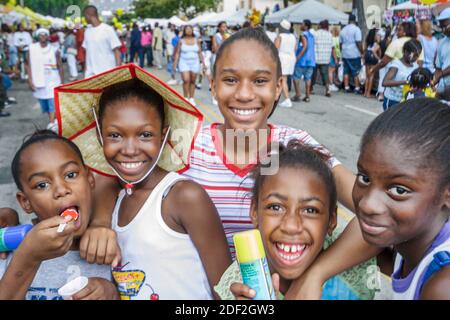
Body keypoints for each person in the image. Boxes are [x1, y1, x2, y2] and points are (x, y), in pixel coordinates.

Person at [78, 28, 362, 276]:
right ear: (212, 85)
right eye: (230, 80)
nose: (244, 94)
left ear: (278, 88)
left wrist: (318, 274)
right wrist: (101, 223)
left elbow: (371, 209)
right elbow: (113, 178)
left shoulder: (295, 146)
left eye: (260, 81)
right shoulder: (185, 143)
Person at [95, 78, 231, 299]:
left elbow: (226, 291)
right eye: (115, 135)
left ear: (163, 135)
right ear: (100, 136)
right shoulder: (112, 197)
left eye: (145, 135)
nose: (130, 149)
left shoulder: (184, 197)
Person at [215, 142, 375, 300]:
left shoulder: (350, 256)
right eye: (275, 207)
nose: (291, 226)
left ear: (332, 220)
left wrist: (315, 275)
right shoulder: (238, 286)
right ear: (254, 212)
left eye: (310, 210)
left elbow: (380, 220)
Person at [0, 130, 117, 300]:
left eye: (70, 175)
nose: (61, 190)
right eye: (42, 185)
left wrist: (112, 293)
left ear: (90, 179)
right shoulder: (8, 251)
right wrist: (28, 257)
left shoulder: (114, 241)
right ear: (25, 201)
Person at [353, 98, 450, 299]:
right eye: (364, 178)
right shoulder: (409, 239)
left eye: (399, 190)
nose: (367, 204)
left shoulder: (442, 287)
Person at [25, 28, 63, 131]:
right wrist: (30, 80)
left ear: (48, 36)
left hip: (53, 79)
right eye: (41, 35)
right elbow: (27, 64)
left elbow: (60, 65)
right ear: (38, 36)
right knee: (45, 103)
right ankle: (53, 121)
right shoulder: (32, 49)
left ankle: (51, 123)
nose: (43, 37)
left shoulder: (54, 49)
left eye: (45, 34)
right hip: (39, 80)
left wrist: (62, 81)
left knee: (52, 101)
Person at [82, 5, 121, 77]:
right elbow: (87, 53)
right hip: (91, 75)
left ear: (89, 15)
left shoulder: (108, 29)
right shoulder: (87, 31)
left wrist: (117, 71)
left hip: (107, 73)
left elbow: (117, 51)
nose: (84, 18)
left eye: (85, 16)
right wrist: (86, 72)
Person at [382, 39, 421, 110]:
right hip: (392, 100)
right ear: (406, 52)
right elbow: (385, 82)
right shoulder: (396, 65)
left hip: (404, 101)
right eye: (414, 56)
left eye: (417, 56)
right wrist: (405, 82)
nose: (415, 58)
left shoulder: (415, 66)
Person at [172, 25, 206, 106]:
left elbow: (200, 52)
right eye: (187, 29)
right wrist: (175, 64)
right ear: (184, 31)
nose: (189, 31)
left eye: (190, 29)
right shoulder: (181, 41)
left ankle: (191, 98)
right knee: (186, 80)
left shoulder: (196, 40)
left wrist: (203, 63)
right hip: (184, 62)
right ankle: (185, 98)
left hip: (195, 62)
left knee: (193, 81)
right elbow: (177, 53)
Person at [275, 19, 297, 108]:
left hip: (282, 58)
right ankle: (279, 96)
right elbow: (295, 49)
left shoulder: (280, 36)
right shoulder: (293, 36)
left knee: (282, 79)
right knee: (284, 79)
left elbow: (275, 48)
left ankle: (287, 99)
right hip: (290, 58)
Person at [292, 19, 316, 103]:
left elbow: (305, 46)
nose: (300, 25)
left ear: (306, 26)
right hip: (311, 60)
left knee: (296, 77)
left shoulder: (303, 35)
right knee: (308, 78)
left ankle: (298, 94)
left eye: (302, 24)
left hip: (302, 60)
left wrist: (298, 57)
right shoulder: (312, 35)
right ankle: (307, 96)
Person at [339, 14, 364, 94]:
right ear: (355, 20)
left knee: (346, 71)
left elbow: (340, 43)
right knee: (355, 71)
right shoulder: (356, 29)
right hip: (354, 53)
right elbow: (358, 42)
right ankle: (357, 88)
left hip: (345, 53)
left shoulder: (343, 30)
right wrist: (362, 52)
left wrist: (342, 51)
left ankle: (346, 87)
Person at [313, 20, 334, 98]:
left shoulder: (316, 33)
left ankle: (310, 88)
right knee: (325, 75)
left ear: (320, 26)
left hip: (316, 57)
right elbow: (332, 47)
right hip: (326, 58)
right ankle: (327, 89)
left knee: (313, 74)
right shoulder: (330, 35)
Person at [434, 7, 450, 96]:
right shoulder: (441, 42)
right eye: (441, 27)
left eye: (445, 27)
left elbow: (440, 73)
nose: (443, 31)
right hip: (443, 90)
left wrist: (440, 74)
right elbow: (438, 67)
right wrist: (434, 81)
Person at [363, 28, 381, 98]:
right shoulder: (376, 43)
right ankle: (368, 93)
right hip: (373, 58)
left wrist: (363, 58)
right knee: (371, 76)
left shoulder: (367, 42)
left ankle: (365, 92)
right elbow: (375, 51)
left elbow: (364, 50)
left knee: (367, 76)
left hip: (367, 57)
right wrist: (379, 59)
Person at [376, 26, 392, 101]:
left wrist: (379, 58)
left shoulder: (381, 42)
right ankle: (386, 94)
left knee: (381, 77)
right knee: (389, 78)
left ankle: (381, 94)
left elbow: (375, 50)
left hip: (381, 60)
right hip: (389, 61)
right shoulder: (391, 43)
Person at [329, 26, 341, 92]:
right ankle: (331, 84)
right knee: (331, 71)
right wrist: (336, 58)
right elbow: (334, 49)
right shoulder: (335, 39)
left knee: (332, 71)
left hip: (334, 56)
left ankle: (332, 83)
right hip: (333, 56)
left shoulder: (333, 38)